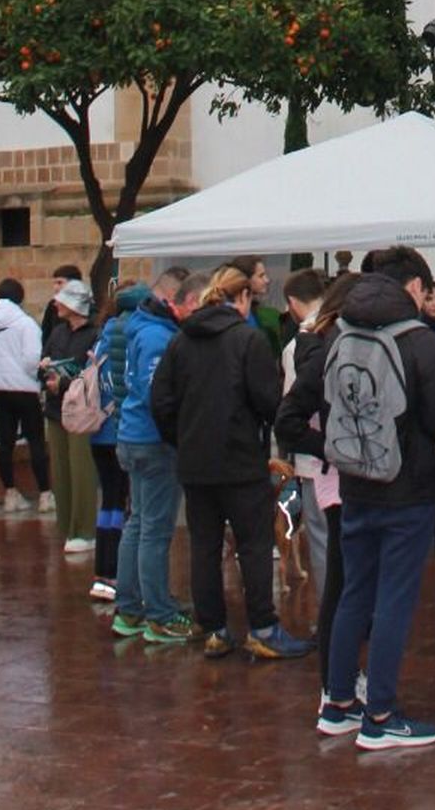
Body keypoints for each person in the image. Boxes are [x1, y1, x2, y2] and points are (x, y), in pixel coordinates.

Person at [307, 246, 435, 748]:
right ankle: (380, 714)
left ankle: (337, 703)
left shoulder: (339, 334)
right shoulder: (422, 343)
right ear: (416, 288)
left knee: (355, 589)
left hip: (355, 481)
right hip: (409, 487)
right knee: (394, 598)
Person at [150, 265, 310, 663]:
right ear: (240, 298)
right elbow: (268, 401)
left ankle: (216, 629)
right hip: (240, 460)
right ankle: (263, 627)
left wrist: (183, 437)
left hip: (195, 462)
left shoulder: (180, 342)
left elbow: (161, 403)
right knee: (254, 544)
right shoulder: (248, 341)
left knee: (204, 545)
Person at [276, 271, 359, 706]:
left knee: (328, 550)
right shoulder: (324, 345)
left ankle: (334, 631)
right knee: (336, 552)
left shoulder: (298, 345)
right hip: (333, 462)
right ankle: (340, 638)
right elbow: (294, 408)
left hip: (318, 463)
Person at [113, 266, 204, 644]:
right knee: (154, 528)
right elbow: (159, 398)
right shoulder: (157, 337)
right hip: (153, 442)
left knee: (138, 524)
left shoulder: (142, 328)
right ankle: (158, 615)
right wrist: (176, 436)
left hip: (134, 436)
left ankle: (132, 606)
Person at [88, 287, 145, 601]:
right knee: (126, 504)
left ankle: (102, 570)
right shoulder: (131, 334)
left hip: (98, 431)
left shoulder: (101, 337)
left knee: (109, 500)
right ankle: (117, 573)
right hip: (120, 429)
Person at [38, 280, 100, 554]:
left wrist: (62, 384)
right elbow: (45, 359)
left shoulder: (94, 335)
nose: (56, 303)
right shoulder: (58, 332)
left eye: (61, 298)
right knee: (61, 470)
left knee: (81, 469)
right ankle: (66, 527)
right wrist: (45, 371)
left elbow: (91, 375)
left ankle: (84, 529)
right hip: (55, 409)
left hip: (81, 411)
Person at [281, 267, 333, 592]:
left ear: (292, 302)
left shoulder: (295, 348)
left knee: (321, 538)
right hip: (352, 455)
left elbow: (289, 406)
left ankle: (329, 616)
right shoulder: (344, 331)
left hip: (315, 459)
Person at [0, 279, 52, 512]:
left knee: (6, 441)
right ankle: (44, 494)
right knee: (36, 441)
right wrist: (35, 377)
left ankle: (10, 494)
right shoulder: (26, 323)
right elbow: (33, 358)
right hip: (24, 388)